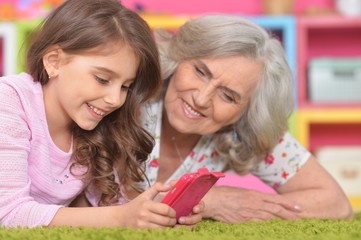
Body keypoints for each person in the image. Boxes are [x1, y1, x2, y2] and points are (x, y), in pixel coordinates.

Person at [0, 0, 202, 229]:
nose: (115, 99)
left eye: (126, 86)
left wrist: (157, 211)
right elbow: (8, 213)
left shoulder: (93, 123)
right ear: (54, 62)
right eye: (103, 79)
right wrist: (120, 218)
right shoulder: (9, 100)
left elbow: (108, 206)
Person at [137, 15, 354, 222]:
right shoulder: (129, 95)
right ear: (179, 56)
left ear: (248, 112)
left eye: (228, 96)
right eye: (200, 72)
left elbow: (337, 205)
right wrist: (203, 200)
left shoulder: (243, 131)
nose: (201, 99)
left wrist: (216, 201)